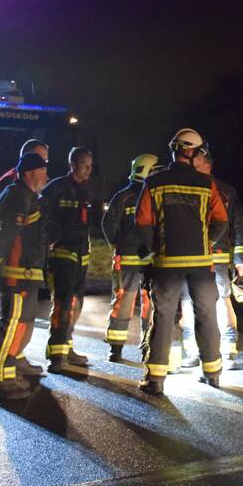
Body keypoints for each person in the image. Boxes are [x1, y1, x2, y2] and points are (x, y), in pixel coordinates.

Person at [134, 129, 228, 395]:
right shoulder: (207, 184)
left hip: (166, 263)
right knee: (207, 315)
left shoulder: (154, 183)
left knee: (163, 317)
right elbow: (221, 220)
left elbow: (141, 222)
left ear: (174, 150)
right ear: (195, 153)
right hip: (201, 263)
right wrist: (206, 243)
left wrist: (154, 248)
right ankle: (213, 373)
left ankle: (155, 380)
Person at [0, 152, 49, 400]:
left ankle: (8, 372)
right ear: (31, 173)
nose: (46, 177)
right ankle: (1, 381)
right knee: (9, 325)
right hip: (15, 274)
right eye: (42, 172)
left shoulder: (25, 195)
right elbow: (6, 233)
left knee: (16, 325)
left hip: (24, 273)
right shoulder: (18, 196)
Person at [179, 149, 243, 370]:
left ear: (206, 164)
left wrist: (241, 259)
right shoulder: (187, 186)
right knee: (188, 302)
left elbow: (238, 226)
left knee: (221, 300)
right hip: (191, 256)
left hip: (216, 256)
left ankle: (228, 351)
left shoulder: (226, 191)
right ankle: (191, 350)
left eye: (195, 160)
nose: (191, 162)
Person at [40, 147, 94, 373]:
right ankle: (57, 356)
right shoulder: (56, 189)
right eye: (84, 165)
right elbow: (43, 220)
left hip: (81, 255)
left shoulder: (85, 192)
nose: (88, 170)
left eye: (90, 166)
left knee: (75, 305)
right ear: (72, 164)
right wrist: (49, 246)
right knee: (63, 304)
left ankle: (66, 348)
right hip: (62, 255)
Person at [102, 154, 160, 361]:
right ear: (144, 170)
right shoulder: (145, 196)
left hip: (136, 259)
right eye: (154, 170)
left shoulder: (126, 196)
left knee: (133, 303)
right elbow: (108, 225)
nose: (157, 174)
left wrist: (119, 244)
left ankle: (126, 348)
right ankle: (132, 347)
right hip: (140, 260)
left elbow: (108, 225)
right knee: (138, 303)